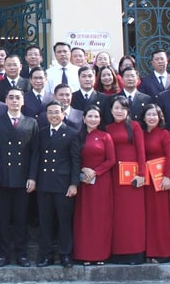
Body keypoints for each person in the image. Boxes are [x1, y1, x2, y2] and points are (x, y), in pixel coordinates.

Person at [0, 87, 38, 268]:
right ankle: (2, 255)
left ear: (23, 101)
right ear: (6, 101)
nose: (15, 101)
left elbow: (35, 153)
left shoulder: (31, 122)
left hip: (23, 180)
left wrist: (32, 177)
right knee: (2, 220)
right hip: (2, 179)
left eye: (18, 98)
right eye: (11, 97)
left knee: (21, 220)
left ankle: (21, 255)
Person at [35, 101, 81, 268]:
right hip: (44, 183)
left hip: (63, 184)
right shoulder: (41, 133)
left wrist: (74, 183)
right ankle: (46, 255)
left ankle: (65, 254)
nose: (53, 115)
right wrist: (33, 178)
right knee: (45, 221)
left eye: (56, 112)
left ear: (63, 114)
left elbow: (75, 160)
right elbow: (36, 157)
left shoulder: (72, 133)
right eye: (50, 112)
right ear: (46, 115)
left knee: (64, 221)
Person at [104, 97, 146, 264]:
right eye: (116, 108)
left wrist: (141, 174)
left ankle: (135, 251)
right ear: (111, 110)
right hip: (114, 176)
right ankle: (118, 251)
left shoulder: (134, 126)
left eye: (123, 108)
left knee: (133, 215)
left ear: (128, 111)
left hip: (132, 177)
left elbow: (141, 151)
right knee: (117, 215)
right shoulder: (107, 128)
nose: (119, 111)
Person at [73, 106, 115, 265]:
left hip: (101, 181)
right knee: (84, 217)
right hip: (83, 182)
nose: (93, 119)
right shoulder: (78, 136)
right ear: (84, 119)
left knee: (100, 217)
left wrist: (96, 172)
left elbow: (111, 160)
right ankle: (85, 254)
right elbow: (74, 157)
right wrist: (83, 169)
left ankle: (101, 255)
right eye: (90, 116)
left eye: (96, 116)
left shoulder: (105, 137)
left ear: (100, 119)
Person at [141, 104, 170, 263]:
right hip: (145, 181)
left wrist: (167, 176)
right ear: (143, 117)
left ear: (160, 117)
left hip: (160, 180)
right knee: (147, 217)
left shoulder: (164, 134)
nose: (152, 118)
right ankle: (148, 251)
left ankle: (162, 252)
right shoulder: (140, 134)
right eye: (149, 114)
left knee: (160, 216)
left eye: (155, 115)